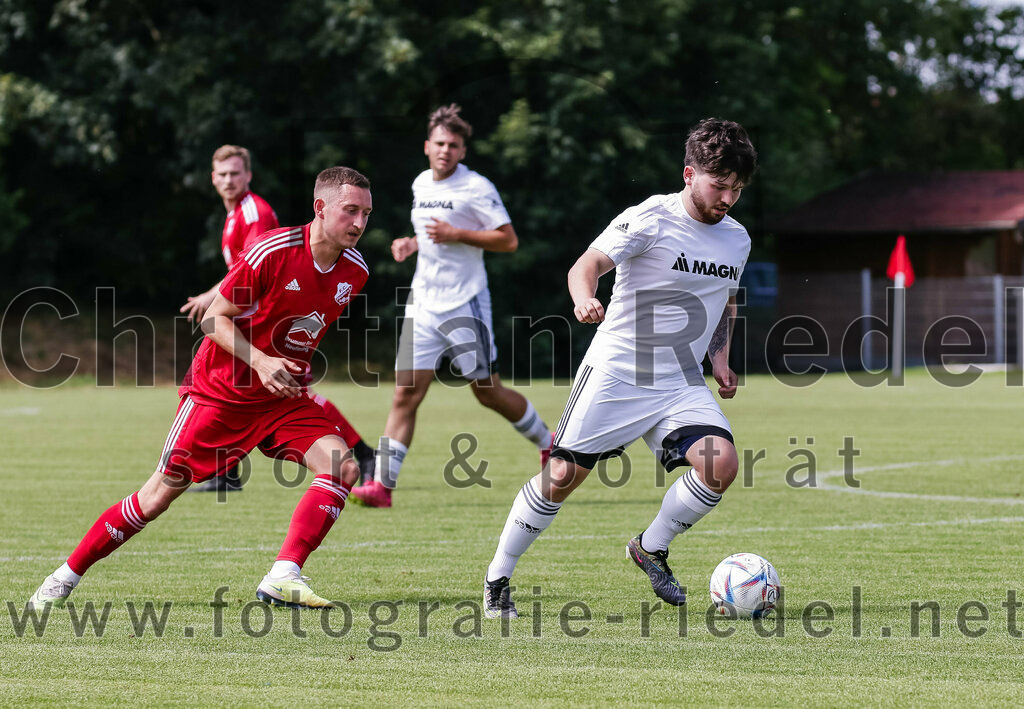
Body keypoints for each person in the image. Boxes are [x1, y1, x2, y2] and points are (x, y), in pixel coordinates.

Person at [28, 167, 374, 610]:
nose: (360, 223)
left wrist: (286, 369)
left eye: (366, 213)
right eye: (351, 211)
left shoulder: (356, 272)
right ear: (320, 208)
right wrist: (263, 360)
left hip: (279, 400)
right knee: (155, 498)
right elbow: (214, 318)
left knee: (342, 467)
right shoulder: (273, 250)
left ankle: (284, 574)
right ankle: (63, 577)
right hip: (220, 394)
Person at [481, 118, 758, 618]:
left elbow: (726, 299)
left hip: (679, 381)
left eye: (737, 189)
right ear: (689, 173)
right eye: (720, 186)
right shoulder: (651, 216)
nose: (728, 199)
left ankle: (650, 548)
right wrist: (584, 298)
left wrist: (720, 357)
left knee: (721, 464)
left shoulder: (736, 240)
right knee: (561, 475)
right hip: (617, 371)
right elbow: (584, 265)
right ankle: (498, 577)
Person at [349, 104, 554, 509]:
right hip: (424, 303)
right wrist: (412, 243)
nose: (445, 150)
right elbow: (429, 234)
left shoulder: (476, 187)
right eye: (439, 143)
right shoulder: (421, 183)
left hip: (465, 302)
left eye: (454, 145)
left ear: (462, 151)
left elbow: (508, 240)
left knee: (487, 392)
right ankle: (382, 487)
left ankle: (550, 444)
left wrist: (457, 233)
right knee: (405, 394)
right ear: (427, 146)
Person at [181, 145, 375, 492]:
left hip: (271, 324)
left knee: (291, 393)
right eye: (222, 174)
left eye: (235, 173)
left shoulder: (253, 212)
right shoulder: (233, 215)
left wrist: (215, 297)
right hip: (261, 326)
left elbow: (257, 265)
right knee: (284, 393)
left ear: (248, 175)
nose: (228, 180)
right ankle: (229, 472)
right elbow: (243, 271)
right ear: (212, 178)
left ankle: (362, 453)